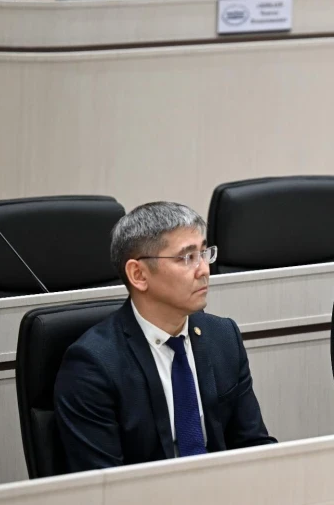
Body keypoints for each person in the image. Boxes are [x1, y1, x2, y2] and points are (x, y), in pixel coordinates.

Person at [55, 202, 276, 472]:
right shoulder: (93, 365)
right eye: (187, 257)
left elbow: (253, 445)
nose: (204, 270)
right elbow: (104, 484)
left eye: (204, 253)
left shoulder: (222, 337)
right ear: (138, 274)